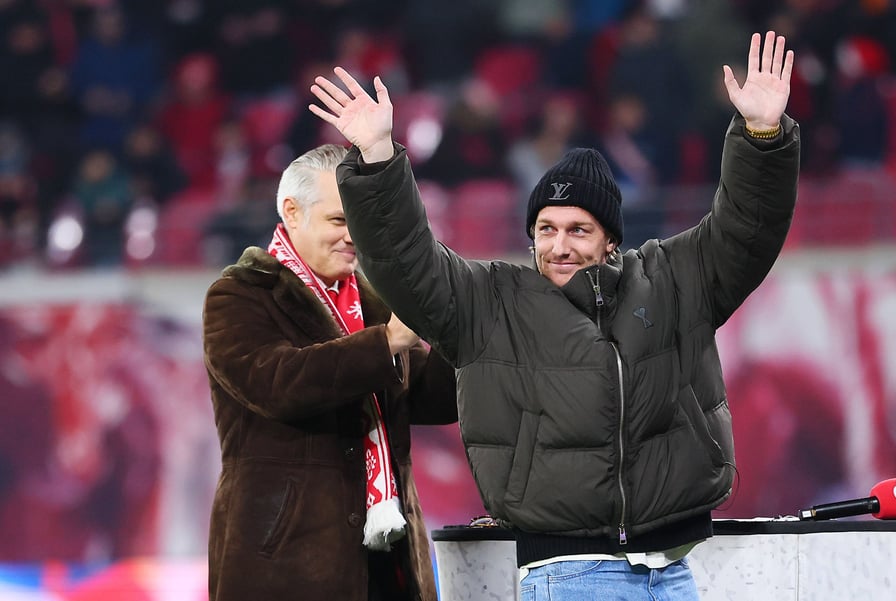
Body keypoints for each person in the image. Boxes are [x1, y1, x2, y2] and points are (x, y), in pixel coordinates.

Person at [309, 30, 799, 600]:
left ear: (612, 241)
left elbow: (747, 231)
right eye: (546, 229)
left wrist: (762, 137)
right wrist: (377, 160)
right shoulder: (489, 302)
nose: (559, 245)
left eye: (578, 230)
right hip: (566, 573)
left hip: (671, 569)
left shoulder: (670, 280)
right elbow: (406, 262)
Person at [201, 143, 458, 601]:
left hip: (386, 562)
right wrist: (385, 343)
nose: (352, 236)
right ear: (292, 211)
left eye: (360, 221)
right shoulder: (239, 294)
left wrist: (455, 331)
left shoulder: (374, 301)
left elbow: (432, 399)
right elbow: (278, 383)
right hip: (284, 567)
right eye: (339, 221)